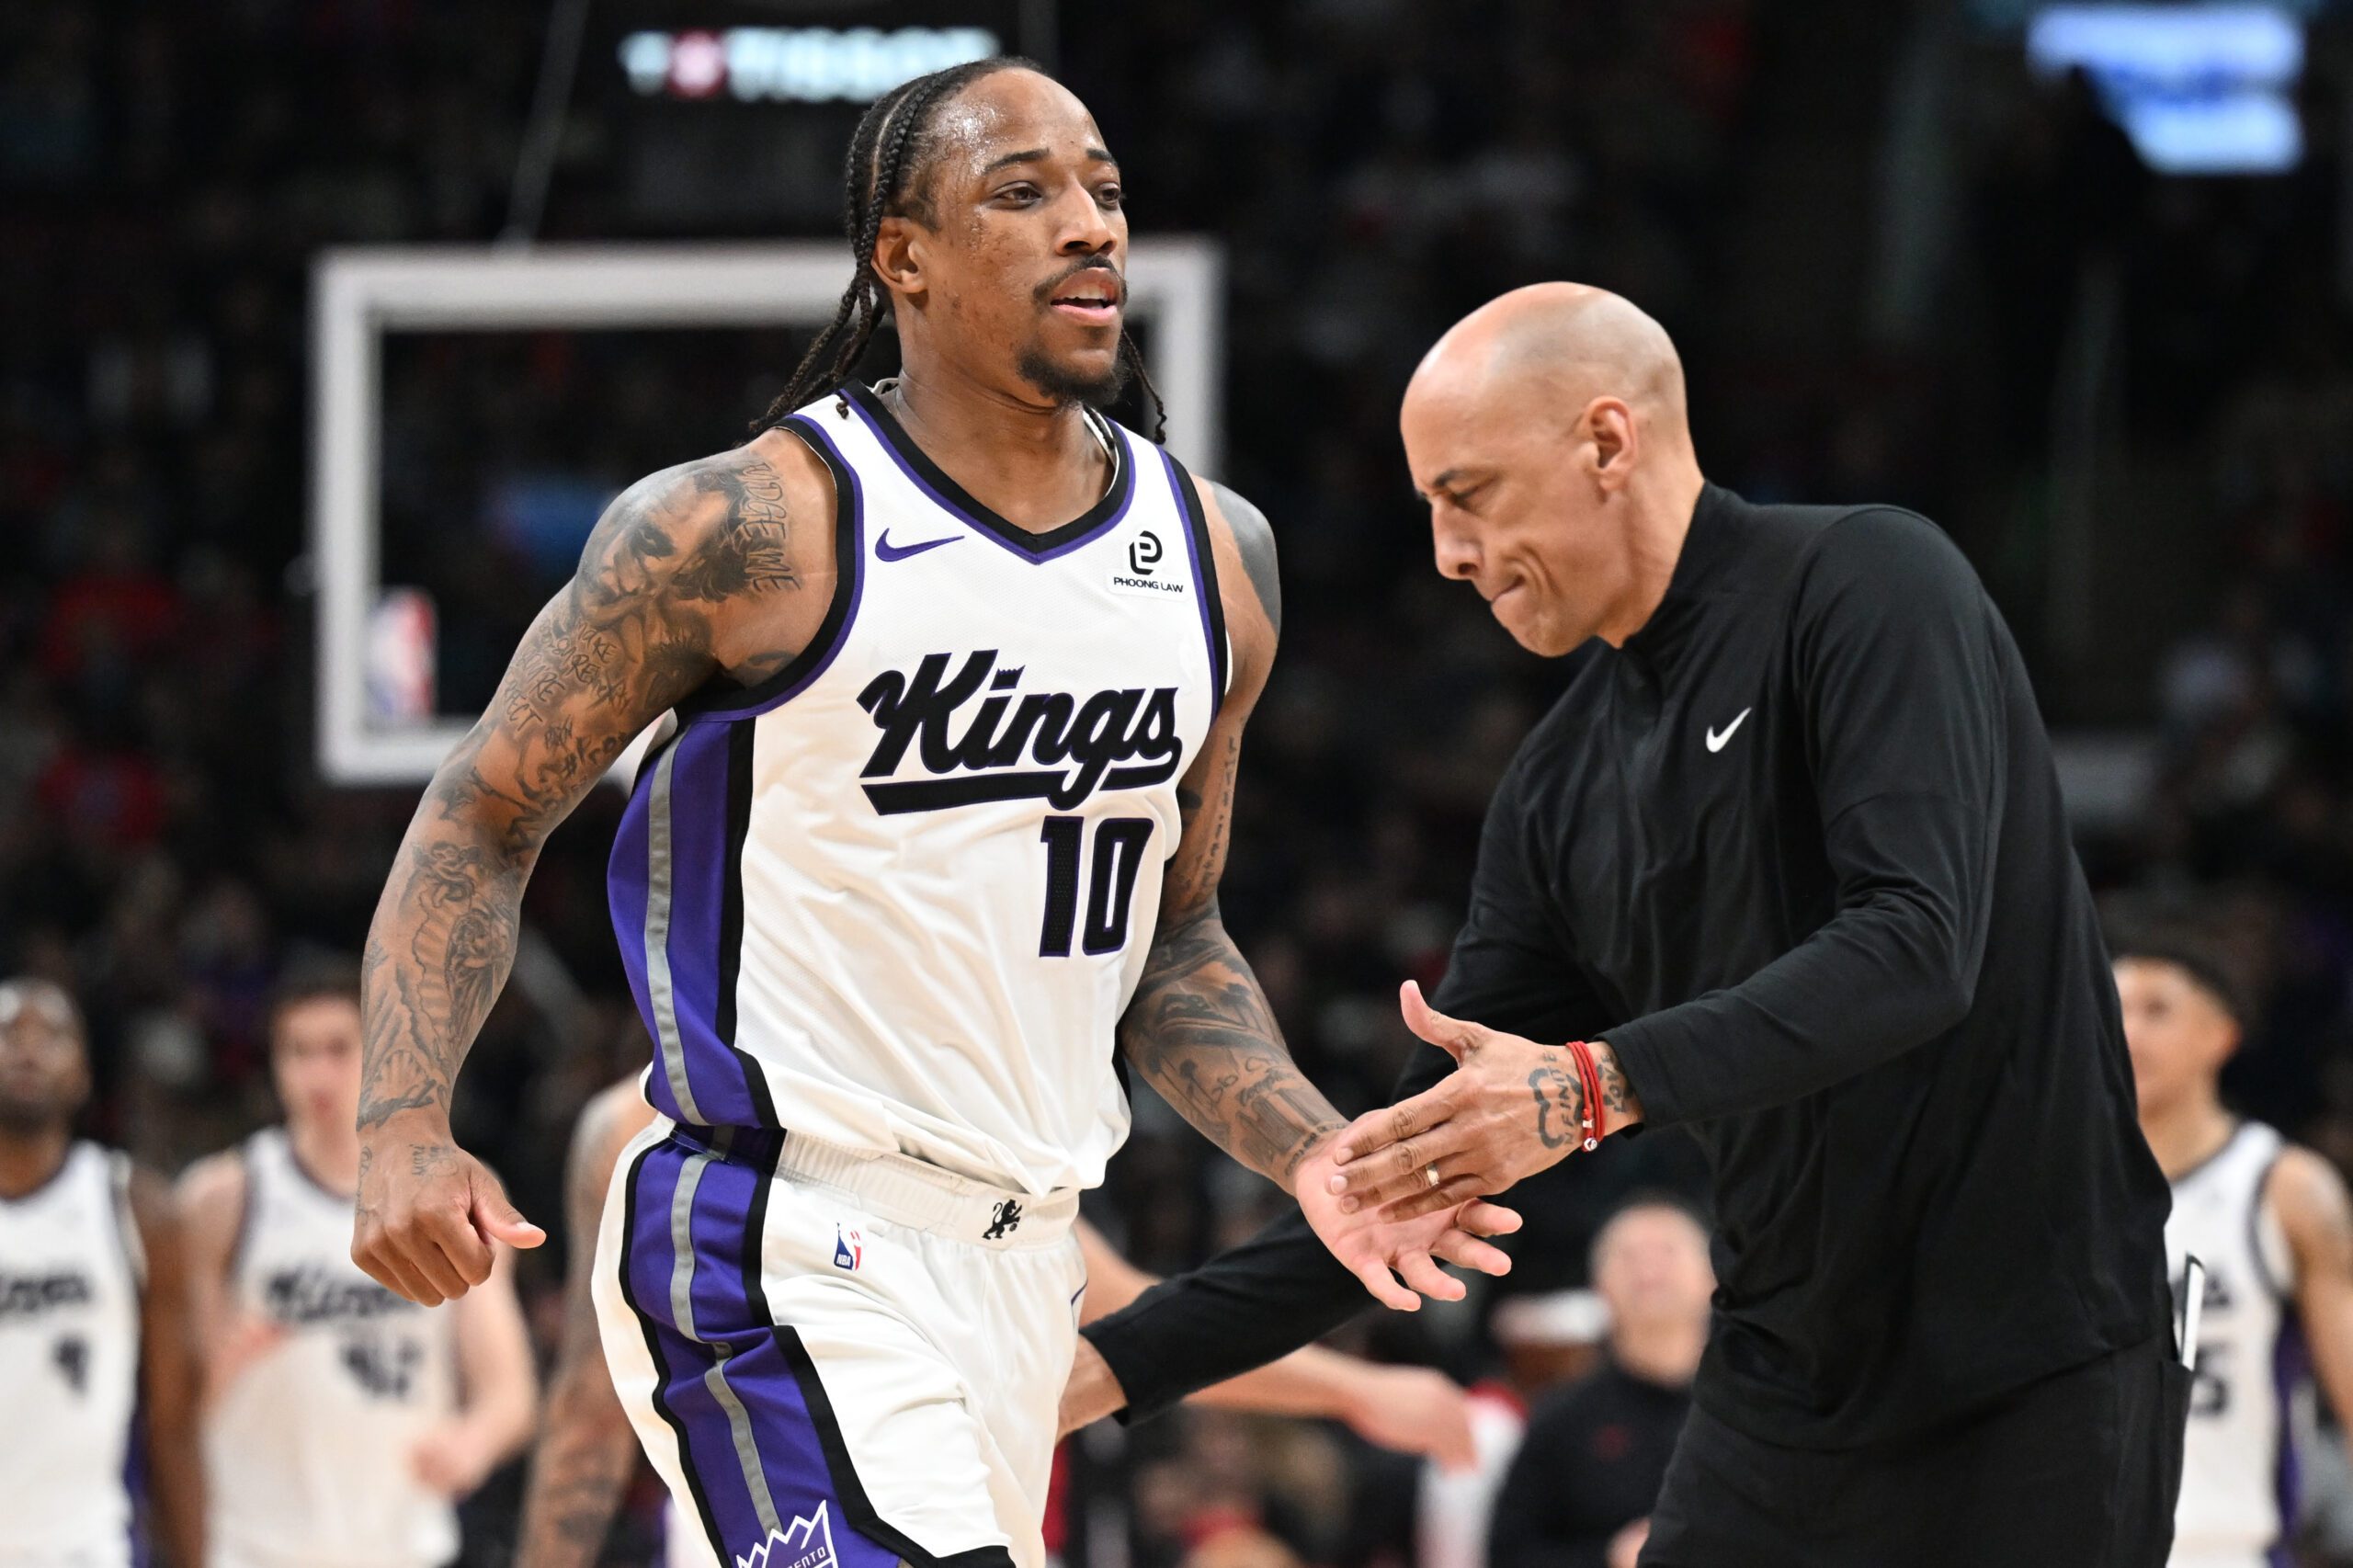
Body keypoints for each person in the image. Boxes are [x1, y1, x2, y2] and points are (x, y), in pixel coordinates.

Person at [346, 56, 1515, 1568]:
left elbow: (1172, 937)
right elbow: (482, 815)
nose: (1087, 225)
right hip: (779, 1241)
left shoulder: (1217, 558)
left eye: (1101, 189)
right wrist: (401, 1123)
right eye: (1021, 194)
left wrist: (1314, 1152)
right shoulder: (748, 526)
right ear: (900, 255)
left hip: (1027, 1268)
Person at [1069, 282, 2188, 1567]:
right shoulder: (1554, 789)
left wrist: (1593, 1086)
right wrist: (1092, 1375)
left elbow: (1917, 944)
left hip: (2032, 1365)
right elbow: (1401, 1178)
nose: (1443, 551)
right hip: (1785, 1384)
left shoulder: (1870, 582)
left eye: (1468, 492)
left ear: (1607, 442)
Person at [512, 1078, 1477, 1567]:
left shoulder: (960, 1116)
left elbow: (1131, 1323)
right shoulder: (638, 1137)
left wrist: (1358, 1390)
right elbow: (591, 1406)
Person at [176, 957, 535, 1568]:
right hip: (253, 1545)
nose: (317, 1072)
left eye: (338, 1049)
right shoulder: (221, 1198)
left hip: (404, 1542)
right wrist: (217, 1364)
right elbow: (172, 1400)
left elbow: (510, 1392)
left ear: (380, 1056)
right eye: (298, 1051)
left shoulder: (442, 1194)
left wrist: (471, 1444)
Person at [2115, 931, 2353, 1568]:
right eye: (2114, 1011)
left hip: (2231, 1551)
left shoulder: (2285, 1188)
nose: (2130, 1034)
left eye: (2157, 1010)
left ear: (2220, 1034)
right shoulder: (2058, 1191)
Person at [0, 977, 204, 1568]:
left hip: (86, 1549)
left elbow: (172, 1420)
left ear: (84, 1074)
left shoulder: (135, 1207)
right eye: (9, 1032)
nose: (28, 1048)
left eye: (52, 1035)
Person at [1487, 1199, 1713, 1568]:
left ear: (1713, 1276)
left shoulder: (1763, 1410)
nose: (1648, 1268)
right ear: (1599, 1286)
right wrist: (1608, 1558)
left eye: (1668, 1251)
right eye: (1628, 1255)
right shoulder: (1559, 1421)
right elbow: (1507, 1554)